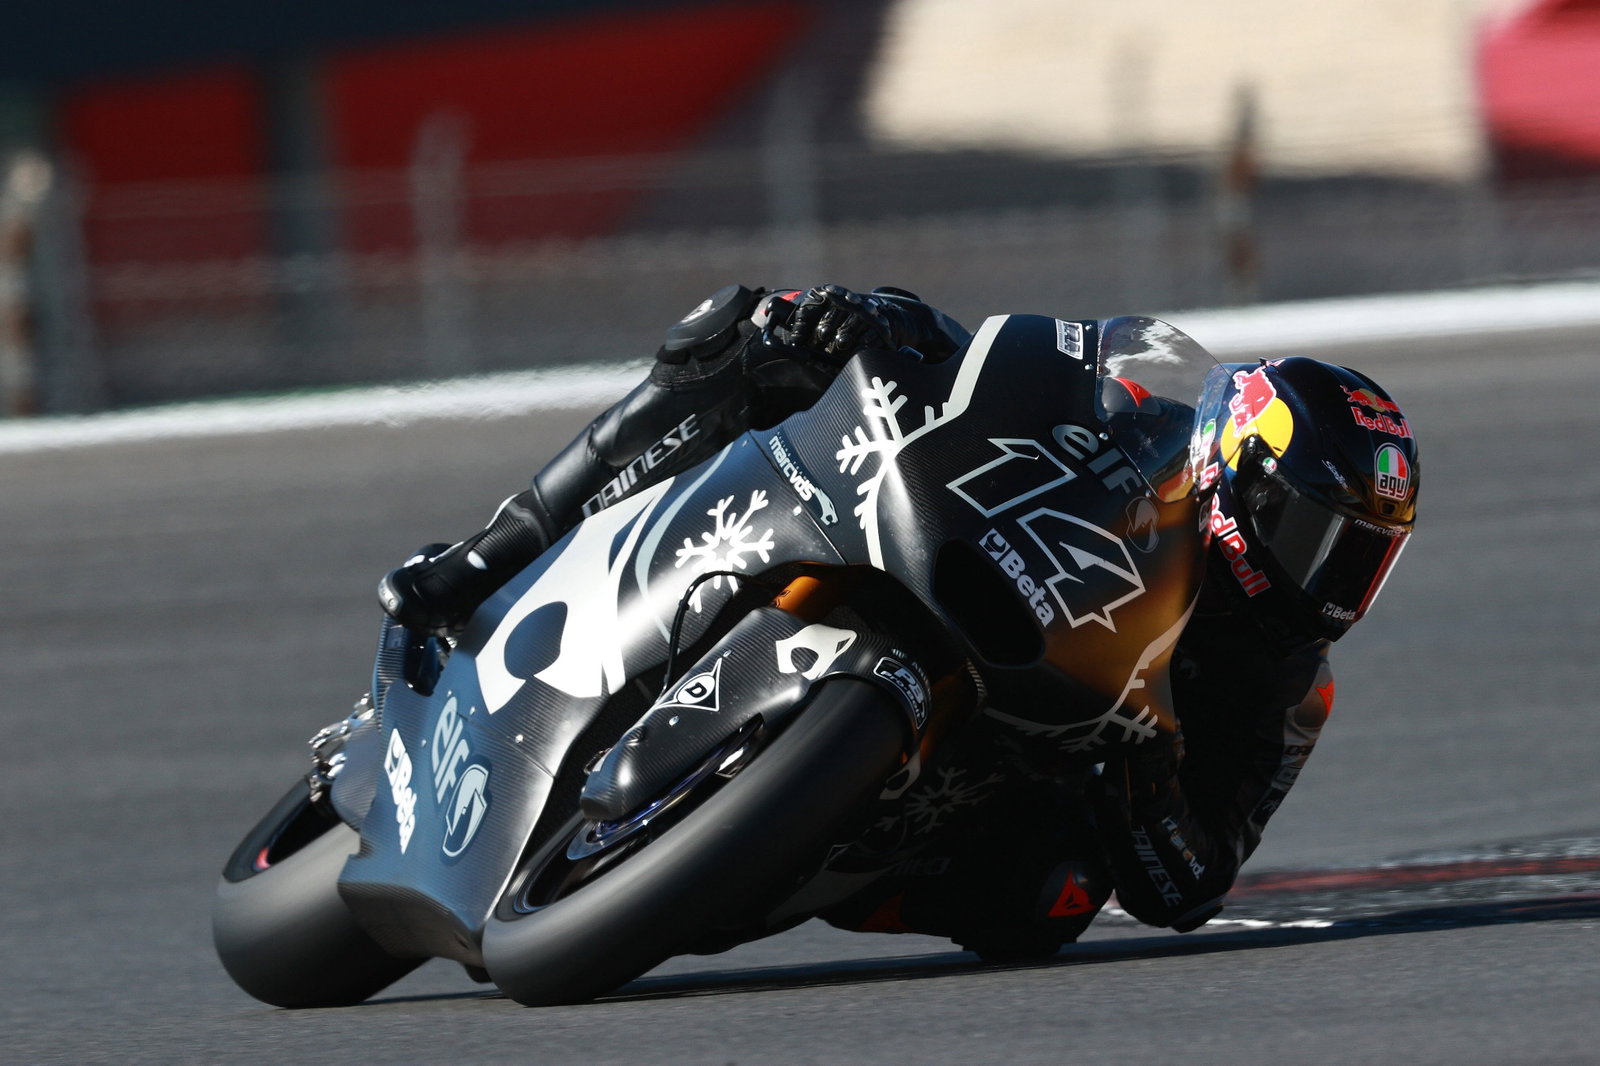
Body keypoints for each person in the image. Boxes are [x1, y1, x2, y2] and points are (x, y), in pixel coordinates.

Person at [378, 283, 1420, 955]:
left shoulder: (1285, 688)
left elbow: (1192, 885)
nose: (1328, 580)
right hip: (929, 555)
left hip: (984, 778)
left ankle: (785, 850)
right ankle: (491, 552)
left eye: (1363, 558)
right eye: (1314, 536)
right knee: (748, 333)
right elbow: (989, 369)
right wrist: (880, 322)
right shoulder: (1140, 424)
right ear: (1242, 468)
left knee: (1051, 898)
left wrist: (1146, 774)